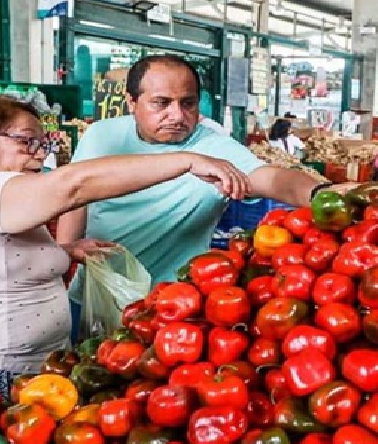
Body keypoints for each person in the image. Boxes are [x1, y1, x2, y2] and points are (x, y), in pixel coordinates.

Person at [0, 94, 252, 425]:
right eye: (26, 142)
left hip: (25, 372)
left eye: (42, 144)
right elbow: (74, 186)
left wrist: (66, 252)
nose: (38, 156)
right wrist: (186, 162)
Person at [57, 55, 344, 287]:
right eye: (161, 103)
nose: (177, 115)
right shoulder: (101, 135)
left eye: (188, 103)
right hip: (96, 290)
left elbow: (272, 179)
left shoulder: (213, 147)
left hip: (172, 302)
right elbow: (76, 197)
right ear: (132, 102)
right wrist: (64, 254)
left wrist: (321, 193)